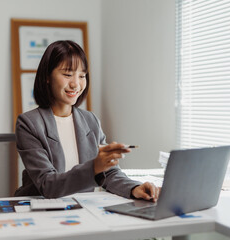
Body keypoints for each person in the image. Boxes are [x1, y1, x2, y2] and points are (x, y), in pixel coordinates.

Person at [15, 40, 159, 202]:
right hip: (39, 207)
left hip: (82, 206)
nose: (76, 84)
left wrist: (134, 188)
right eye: (67, 74)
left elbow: (109, 173)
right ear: (47, 76)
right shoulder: (28, 123)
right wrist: (94, 168)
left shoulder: (90, 120)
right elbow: (47, 185)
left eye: (82, 76)